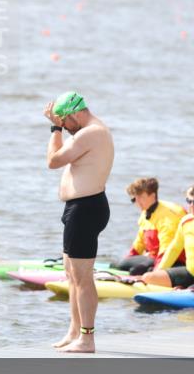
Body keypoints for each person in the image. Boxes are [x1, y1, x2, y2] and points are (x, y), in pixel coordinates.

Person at [44, 91, 114, 353]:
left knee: (83, 277)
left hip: (87, 208)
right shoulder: (89, 133)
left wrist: (54, 129)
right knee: (71, 275)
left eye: (65, 122)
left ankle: (87, 337)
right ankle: (74, 331)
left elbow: (53, 160)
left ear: (74, 114)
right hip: (78, 208)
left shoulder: (91, 133)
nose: (64, 127)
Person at [115, 177, 184, 275]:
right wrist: (128, 260)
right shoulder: (145, 213)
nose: (137, 203)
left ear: (152, 195)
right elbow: (139, 243)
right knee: (122, 265)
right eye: (135, 199)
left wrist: (156, 273)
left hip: (175, 261)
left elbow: (167, 250)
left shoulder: (167, 217)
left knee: (135, 271)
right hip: (153, 257)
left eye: (141, 197)